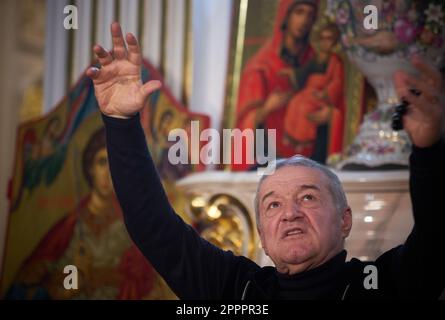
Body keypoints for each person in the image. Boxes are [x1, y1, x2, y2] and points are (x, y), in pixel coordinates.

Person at [86, 22, 445, 299]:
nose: (290, 213)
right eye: (273, 205)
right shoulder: (237, 291)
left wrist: (430, 150)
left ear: (345, 219)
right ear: (262, 236)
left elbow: (437, 239)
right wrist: (120, 123)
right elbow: (152, 224)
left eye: (308, 197)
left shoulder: (383, 288)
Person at [6, 127, 174, 300]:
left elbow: (150, 285)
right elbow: (28, 286)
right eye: (102, 162)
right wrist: (72, 282)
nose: (108, 173)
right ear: (90, 167)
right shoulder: (68, 227)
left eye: (114, 164)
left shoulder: (133, 225)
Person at [233, 0, 318, 170]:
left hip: (308, 156)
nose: (304, 21)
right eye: (299, 12)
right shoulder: (261, 66)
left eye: (310, 15)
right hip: (269, 159)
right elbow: (245, 123)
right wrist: (267, 108)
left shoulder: (317, 62)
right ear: (286, 16)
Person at [283, 23, 345, 163]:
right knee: (295, 102)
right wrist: (291, 73)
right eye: (322, 38)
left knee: (305, 107)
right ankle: (295, 140)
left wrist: (325, 93)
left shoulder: (335, 61)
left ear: (334, 41)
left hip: (321, 94)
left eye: (329, 39)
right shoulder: (315, 59)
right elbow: (303, 72)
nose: (325, 42)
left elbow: (337, 81)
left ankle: (305, 141)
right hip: (309, 91)